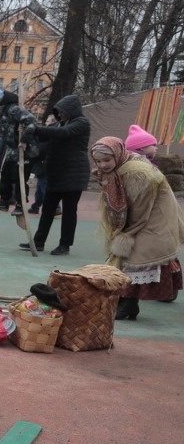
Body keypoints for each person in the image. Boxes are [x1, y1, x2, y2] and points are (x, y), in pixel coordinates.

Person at [90, 137, 184, 320]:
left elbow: (140, 210)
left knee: (133, 257)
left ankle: (127, 303)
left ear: (117, 154)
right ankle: (131, 303)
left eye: (106, 160)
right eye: (98, 161)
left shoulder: (138, 174)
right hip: (147, 216)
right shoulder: (122, 166)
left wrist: (125, 232)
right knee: (136, 255)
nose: (102, 165)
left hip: (153, 218)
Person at [21, 95, 91, 256]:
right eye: (58, 112)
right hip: (57, 173)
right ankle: (38, 241)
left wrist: (36, 129)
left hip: (74, 174)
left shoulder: (81, 123)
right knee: (47, 209)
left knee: (69, 211)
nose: (59, 114)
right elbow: (45, 137)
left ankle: (65, 244)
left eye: (62, 111)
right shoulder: (61, 124)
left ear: (71, 110)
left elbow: (62, 133)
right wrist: (27, 130)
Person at [0, 88, 37, 215]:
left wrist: (24, 140)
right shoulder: (3, 111)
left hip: (24, 149)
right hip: (12, 149)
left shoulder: (13, 109)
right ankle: (4, 201)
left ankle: (20, 204)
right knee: (5, 175)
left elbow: (31, 122)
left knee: (20, 178)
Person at [27, 114, 56, 215]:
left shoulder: (49, 133)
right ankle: (36, 206)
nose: (45, 123)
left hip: (44, 163)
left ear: (52, 122)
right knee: (40, 187)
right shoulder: (52, 132)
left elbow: (42, 148)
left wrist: (33, 154)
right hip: (44, 163)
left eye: (47, 121)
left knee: (44, 186)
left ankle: (55, 207)